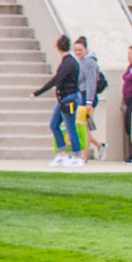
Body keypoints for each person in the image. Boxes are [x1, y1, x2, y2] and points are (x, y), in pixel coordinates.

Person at [32, 35, 84, 167]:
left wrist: (38, 93)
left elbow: (57, 80)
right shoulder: (68, 62)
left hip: (69, 98)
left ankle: (77, 155)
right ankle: (62, 153)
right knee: (54, 124)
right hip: (63, 99)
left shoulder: (69, 63)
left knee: (70, 126)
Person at [68, 35, 99, 162]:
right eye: (76, 50)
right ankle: (99, 146)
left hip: (87, 96)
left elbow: (91, 82)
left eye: (80, 50)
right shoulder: (81, 62)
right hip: (81, 95)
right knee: (82, 126)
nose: (78, 52)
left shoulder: (89, 62)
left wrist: (89, 101)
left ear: (86, 49)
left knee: (83, 126)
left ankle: (84, 155)